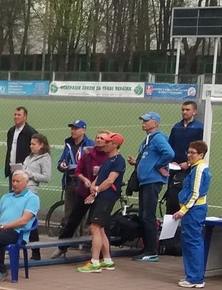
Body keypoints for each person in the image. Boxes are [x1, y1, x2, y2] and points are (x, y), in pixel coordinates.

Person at [0, 170, 41, 282]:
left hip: (17, 232)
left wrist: (2, 227)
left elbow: (24, 221)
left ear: (26, 182)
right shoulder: (6, 197)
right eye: (13, 181)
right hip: (1, 229)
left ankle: (0, 270)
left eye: (18, 181)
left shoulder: (33, 198)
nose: (14, 184)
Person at [76, 132, 126, 273]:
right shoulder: (108, 160)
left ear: (115, 145)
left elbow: (110, 181)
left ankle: (95, 262)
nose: (104, 144)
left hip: (107, 197)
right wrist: (93, 190)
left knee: (94, 228)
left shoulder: (118, 160)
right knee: (101, 229)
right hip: (100, 197)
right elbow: (99, 178)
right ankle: (107, 260)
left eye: (108, 142)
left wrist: (96, 190)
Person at [130, 111, 174, 262]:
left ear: (155, 123)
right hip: (146, 180)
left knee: (148, 215)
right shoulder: (149, 138)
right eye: (143, 120)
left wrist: (159, 165)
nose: (143, 123)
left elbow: (169, 153)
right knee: (144, 215)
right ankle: (147, 248)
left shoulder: (158, 137)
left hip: (151, 181)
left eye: (146, 121)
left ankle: (151, 251)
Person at [169, 140, 212, 288]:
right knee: (192, 242)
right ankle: (194, 276)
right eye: (188, 152)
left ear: (201, 155)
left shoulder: (199, 170)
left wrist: (183, 210)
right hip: (194, 210)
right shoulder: (197, 168)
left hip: (194, 210)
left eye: (192, 153)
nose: (189, 155)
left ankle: (194, 278)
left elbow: (195, 193)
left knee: (192, 242)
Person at [55, 121, 93, 254]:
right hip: (70, 181)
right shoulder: (68, 144)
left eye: (76, 129)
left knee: (84, 214)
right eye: (72, 128)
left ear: (83, 130)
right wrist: (61, 166)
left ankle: (86, 242)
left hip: (83, 183)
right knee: (69, 214)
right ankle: (72, 241)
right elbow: (60, 162)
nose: (73, 131)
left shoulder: (90, 144)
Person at [164, 101, 204, 215]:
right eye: (183, 109)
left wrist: (188, 163)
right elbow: (170, 146)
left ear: (194, 112)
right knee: (171, 198)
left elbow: (201, 149)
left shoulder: (199, 128)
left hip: (190, 169)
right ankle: (170, 223)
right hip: (174, 169)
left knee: (187, 197)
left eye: (187, 110)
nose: (184, 112)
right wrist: (172, 162)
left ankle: (184, 221)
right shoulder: (176, 127)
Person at [19, 132, 51, 257]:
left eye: (33, 144)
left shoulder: (45, 158)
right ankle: (17, 247)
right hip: (20, 190)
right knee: (18, 219)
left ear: (41, 145)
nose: (31, 146)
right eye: (30, 144)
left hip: (31, 191)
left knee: (30, 221)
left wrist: (30, 174)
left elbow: (46, 177)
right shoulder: (29, 157)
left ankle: (35, 252)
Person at [3, 106, 33, 188]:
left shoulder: (31, 133)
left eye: (19, 115)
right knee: (12, 193)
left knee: (23, 194)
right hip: (12, 171)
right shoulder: (11, 131)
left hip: (24, 172)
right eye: (15, 114)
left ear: (25, 117)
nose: (16, 117)